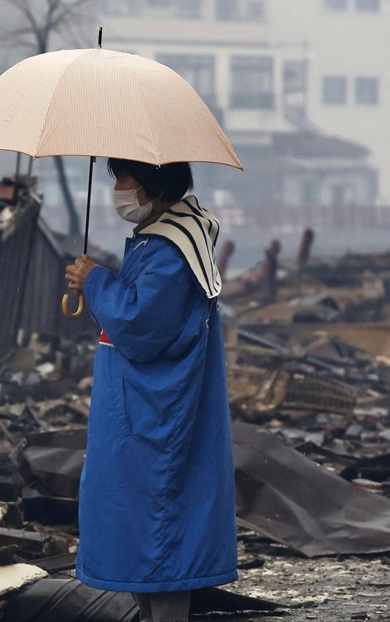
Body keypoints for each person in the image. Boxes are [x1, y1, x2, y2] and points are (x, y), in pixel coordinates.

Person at [63, 159, 237, 622]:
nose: (117, 189)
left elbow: (141, 324)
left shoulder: (170, 249)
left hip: (153, 416)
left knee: (157, 533)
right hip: (139, 409)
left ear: (151, 185)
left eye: (123, 178)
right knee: (140, 535)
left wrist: (95, 280)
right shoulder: (166, 238)